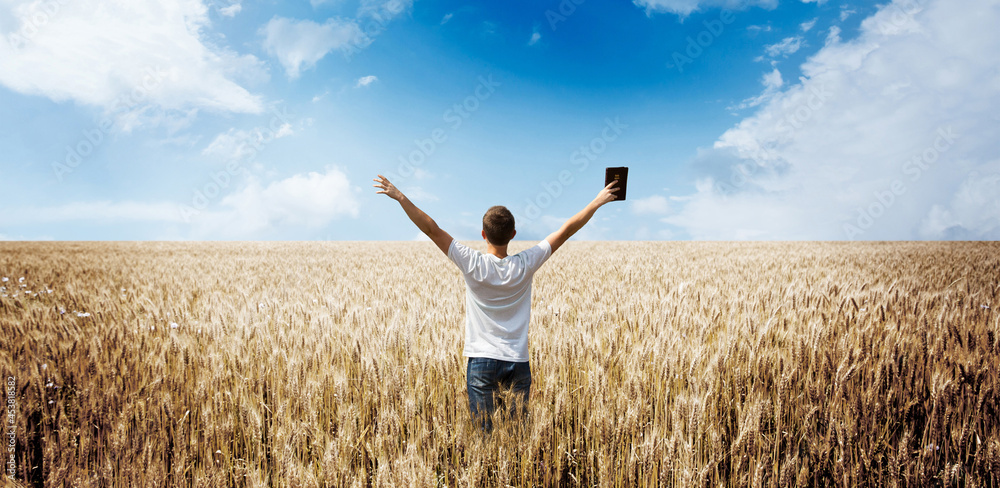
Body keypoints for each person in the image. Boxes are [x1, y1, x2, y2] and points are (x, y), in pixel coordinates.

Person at [373, 174, 619, 432]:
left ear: (483, 234)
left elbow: (431, 229)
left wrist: (400, 197)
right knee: (516, 439)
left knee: (485, 439)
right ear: (513, 234)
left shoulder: (472, 262)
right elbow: (566, 230)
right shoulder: (526, 263)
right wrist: (597, 201)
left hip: (481, 361)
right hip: (517, 360)